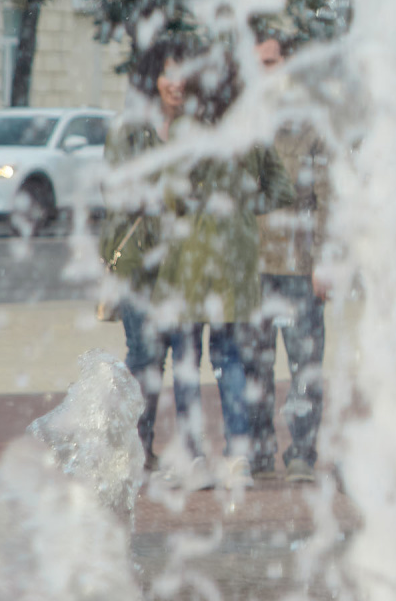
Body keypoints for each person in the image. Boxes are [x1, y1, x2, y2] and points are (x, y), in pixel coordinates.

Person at [152, 46, 295, 491]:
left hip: (190, 263)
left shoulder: (184, 132)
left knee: (186, 363)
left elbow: (169, 196)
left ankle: (194, 458)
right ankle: (238, 457)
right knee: (231, 359)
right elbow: (283, 190)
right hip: (236, 261)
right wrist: (245, 210)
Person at [246, 30, 333, 481]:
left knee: (305, 367)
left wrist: (326, 261)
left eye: (270, 63)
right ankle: (258, 450)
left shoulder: (311, 123)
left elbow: (329, 199)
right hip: (248, 267)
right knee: (253, 367)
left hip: (299, 266)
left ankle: (301, 453)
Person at [101, 41, 177, 468]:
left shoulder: (190, 127)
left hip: (178, 261)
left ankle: (139, 445)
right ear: (152, 79)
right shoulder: (129, 128)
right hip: (136, 259)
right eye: (170, 72)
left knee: (160, 354)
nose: (179, 82)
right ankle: (128, 444)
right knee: (144, 352)